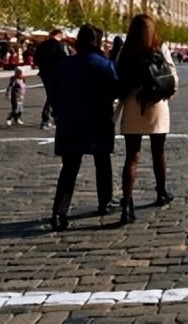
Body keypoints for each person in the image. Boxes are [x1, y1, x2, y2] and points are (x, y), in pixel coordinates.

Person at [49, 25, 119, 231]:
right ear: (97, 42)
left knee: (69, 168)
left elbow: (53, 92)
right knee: (102, 162)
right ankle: (105, 202)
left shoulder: (64, 65)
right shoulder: (105, 65)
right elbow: (115, 90)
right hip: (98, 121)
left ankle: (59, 211)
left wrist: (59, 112)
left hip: (69, 121)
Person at [117, 14, 178, 223]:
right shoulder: (159, 49)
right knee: (158, 152)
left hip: (133, 106)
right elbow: (172, 78)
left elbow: (118, 80)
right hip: (156, 105)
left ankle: (126, 204)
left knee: (131, 157)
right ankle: (161, 192)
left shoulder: (125, 53)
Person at [34, 29, 69, 131]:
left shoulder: (42, 45)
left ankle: (51, 117)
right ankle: (49, 117)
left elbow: (36, 58)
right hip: (56, 74)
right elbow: (64, 60)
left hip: (45, 73)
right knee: (54, 95)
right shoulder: (59, 46)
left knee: (51, 94)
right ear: (58, 35)